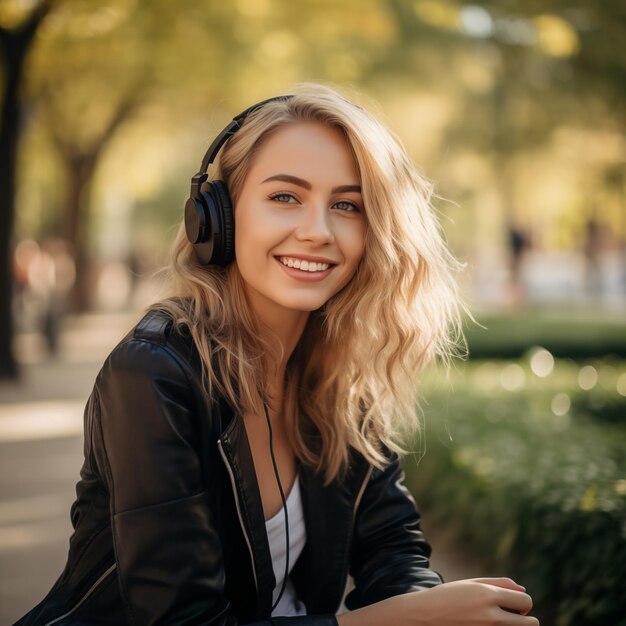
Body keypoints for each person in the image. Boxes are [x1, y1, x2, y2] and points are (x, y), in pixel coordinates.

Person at [15, 85, 537, 625]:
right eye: (285, 197)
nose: (317, 231)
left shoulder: (339, 375)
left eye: (346, 205)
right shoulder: (153, 374)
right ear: (217, 216)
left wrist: (435, 605)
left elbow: (393, 548)